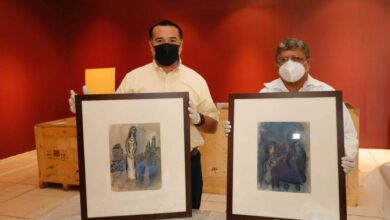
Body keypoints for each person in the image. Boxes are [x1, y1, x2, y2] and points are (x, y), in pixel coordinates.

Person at [68, 20, 219, 209]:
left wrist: (199, 119)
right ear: (150, 45)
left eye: (172, 40)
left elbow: (213, 127)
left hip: (187, 165)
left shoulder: (196, 80)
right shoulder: (133, 79)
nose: (166, 45)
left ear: (181, 44)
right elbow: (112, 117)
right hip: (145, 165)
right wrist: (87, 111)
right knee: (144, 212)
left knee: (188, 214)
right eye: (159, 40)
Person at [224, 38, 358, 174]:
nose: (290, 64)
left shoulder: (327, 94)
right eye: (284, 60)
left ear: (307, 63)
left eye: (296, 58)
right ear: (277, 64)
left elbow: (348, 133)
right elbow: (256, 133)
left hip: (319, 170)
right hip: (278, 167)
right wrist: (237, 129)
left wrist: (347, 154)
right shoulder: (266, 94)